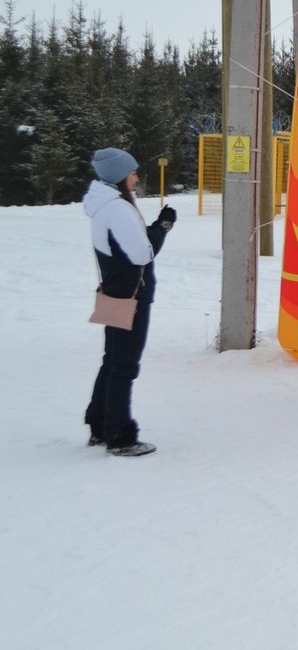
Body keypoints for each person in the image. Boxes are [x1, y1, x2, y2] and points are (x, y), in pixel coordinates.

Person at [83, 147, 177, 456]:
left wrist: (156, 227)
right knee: (124, 366)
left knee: (112, 361)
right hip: (131, 295)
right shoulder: (118, 209)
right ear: (120, 175)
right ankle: (120, 436)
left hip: (113, 290)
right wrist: (161, 230)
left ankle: (100, 425)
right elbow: (142, 254)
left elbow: (129, 247)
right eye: (133, 172)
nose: (136, 177)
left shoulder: (104, 205)